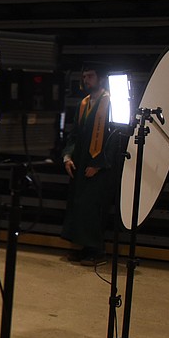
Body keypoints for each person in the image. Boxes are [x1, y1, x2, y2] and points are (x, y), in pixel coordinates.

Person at [61, 63, 118, 266]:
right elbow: (74, 134)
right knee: (79, 206)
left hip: (100, 167)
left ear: (100, 78)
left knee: (94, 207)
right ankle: (83, 247)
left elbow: (115, 138)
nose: (86, 80)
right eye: (84, 76)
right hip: (82, 163)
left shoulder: (111, 102)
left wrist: (100, 163)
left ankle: (97, 250)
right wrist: (68, 156)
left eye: (90, 76)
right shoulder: (83, 104)